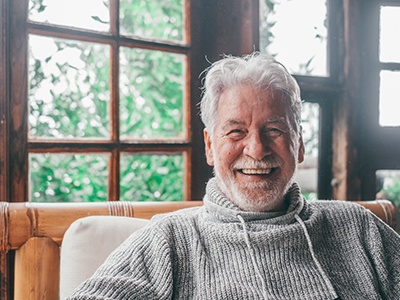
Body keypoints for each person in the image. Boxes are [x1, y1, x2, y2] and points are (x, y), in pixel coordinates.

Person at [67, 52, 400, 299]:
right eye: (236, 131)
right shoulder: (167, 241)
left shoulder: (360, 229)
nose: (256, 149)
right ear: (210, 146)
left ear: (299, 144)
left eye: (274, 130)